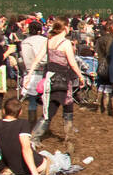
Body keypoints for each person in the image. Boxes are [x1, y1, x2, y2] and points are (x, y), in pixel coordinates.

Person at [30, 19, 83, 148]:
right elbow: (72, 63)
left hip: (50, 77)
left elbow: (38, 58)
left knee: (59, 107)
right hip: (62, 78)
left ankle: (68, 135)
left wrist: (29, 74)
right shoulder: (65, 43)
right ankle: (35, 137)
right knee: (56, 108)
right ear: (65, 28)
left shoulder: (49, 41)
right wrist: (81, 77)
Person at [0, 97, 48, 175]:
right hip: (37, 166)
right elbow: (26, 149)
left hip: (15, 169)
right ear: (20, 112)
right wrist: (34, 173)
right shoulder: (23, 123)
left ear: (3, 110)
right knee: (59, 159)